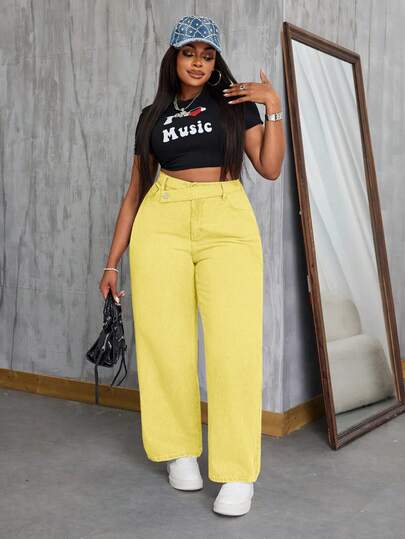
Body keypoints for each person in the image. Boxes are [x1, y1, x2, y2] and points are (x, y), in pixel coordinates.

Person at [99, 15, 285, 516]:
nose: (198, 63)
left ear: (215, 61)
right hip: (161, 218)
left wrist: (273, 107)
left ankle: (237, 473)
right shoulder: (152, 115)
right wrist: (112, 264)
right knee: (164, 341)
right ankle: (178, 449)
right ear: (174, 57)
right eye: (189, 53)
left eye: (207, 55)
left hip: (225, 218)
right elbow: (134, 193)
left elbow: (269, 168)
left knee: (233, 348)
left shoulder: (235, 105)